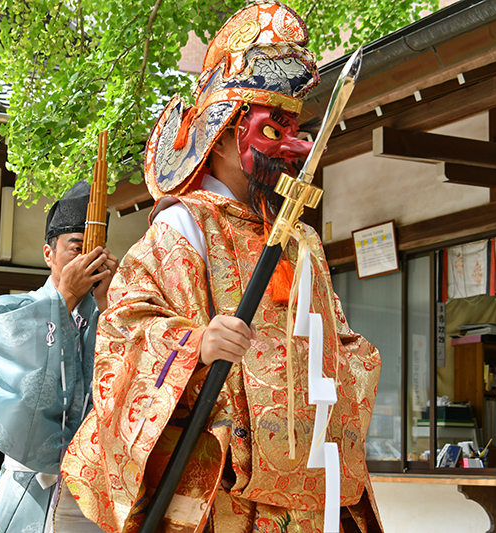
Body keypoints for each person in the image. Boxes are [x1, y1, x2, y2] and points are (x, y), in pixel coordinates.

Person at [61, 3, 383, 532]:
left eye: (295, 129)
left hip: (306, 489)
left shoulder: (300, 239)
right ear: (228, 133)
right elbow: (124, 329)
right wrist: (196, 346)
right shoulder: (183, 227)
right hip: (223, 488)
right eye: (272, 130)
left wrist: (347, 364)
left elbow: (339, 342)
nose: (294, 147)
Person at [0, 180, 119, 533]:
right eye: (76, 248)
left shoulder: (111, 313)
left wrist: (110, 304)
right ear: (48, 253)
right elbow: (25, 395)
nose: (88, 259)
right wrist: (65, 297)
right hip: (30, 485)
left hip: (96, 489)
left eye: (96, 252)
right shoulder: (13, 314)